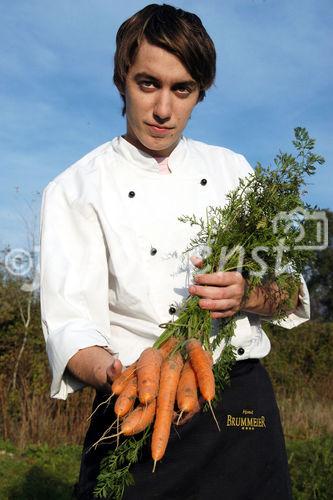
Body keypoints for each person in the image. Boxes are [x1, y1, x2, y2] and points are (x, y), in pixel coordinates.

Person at [40, 4, 310, 499]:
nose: (163, 109)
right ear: (123, 78)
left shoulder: (234, 172)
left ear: (198, 93)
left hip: (239, 402)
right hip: (136, 399)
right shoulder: (74, 188)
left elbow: (289, 292)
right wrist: (119, 376)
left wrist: (247, 294)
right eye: (148, 84)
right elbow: (70, 325)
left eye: (181, 89)